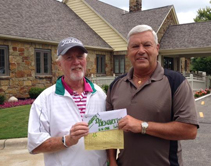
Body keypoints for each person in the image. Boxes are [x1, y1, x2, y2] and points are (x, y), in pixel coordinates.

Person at [106, 25, 199, 166]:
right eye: (135, 46)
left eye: (147, 45)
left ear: (157, 48)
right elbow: (109, 128)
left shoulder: (175, 82)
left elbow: (190, 130)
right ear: (128, 52)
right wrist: (112, 161)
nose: (141, 51)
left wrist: (142, 126)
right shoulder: (116, 85)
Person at [28, 37, 107, 166]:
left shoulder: (100, 94)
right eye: (69, 58)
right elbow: (35, 145)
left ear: (86, 60)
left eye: (80, 56)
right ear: (59, 64)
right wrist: (68, 140)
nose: (76, 62)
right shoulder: (45, 99)